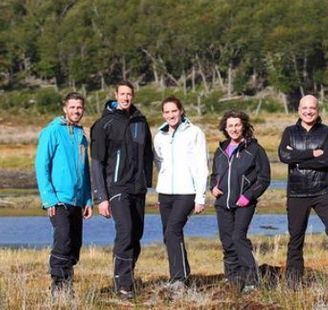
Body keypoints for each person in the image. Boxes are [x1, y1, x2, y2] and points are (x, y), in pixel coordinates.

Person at [90, 81, 154, 299]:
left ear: (133, 96)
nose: (126, 98)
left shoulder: (140, 121)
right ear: (116, 95)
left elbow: (147, 154)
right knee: (125, 231)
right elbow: (97, 162)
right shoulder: (104, 124)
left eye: (129, 94)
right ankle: (122, 285)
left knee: (136, 234)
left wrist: (147, 182)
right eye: (122, 94)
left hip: (138, 188)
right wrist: (101, 197)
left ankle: (128, 278)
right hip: (116, 187)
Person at [278, 95, 328, 286]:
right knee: (296, 238)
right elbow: (284, 155)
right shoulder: (289, 131)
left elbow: (326, 160)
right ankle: (293, 281)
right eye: (304, 108)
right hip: (296, 193)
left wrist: (297, 158)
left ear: (318, 110)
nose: (308, 111)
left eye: (312, 108)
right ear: (299, 109)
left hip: (323, 191)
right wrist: (311, 153)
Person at [35, 92, 93, 295]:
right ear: (64, 109)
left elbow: (85, 169)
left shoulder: (80, 135)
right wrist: (49, 198)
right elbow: (41, 165)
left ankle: (68, 285)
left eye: (79, 107)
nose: (76, 111)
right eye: (72, 107)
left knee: (75, 243)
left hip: (77, 200)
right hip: (58, 199)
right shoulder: (52, 131)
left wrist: (87, 199)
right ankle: (58, 288)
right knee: (63, 240)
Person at [210, 110, 270, 292]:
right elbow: (214, 175)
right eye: (230, 126)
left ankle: (253, 280)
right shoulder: (220, 150)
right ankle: (233, 279)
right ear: (225, 128)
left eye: (237, 125)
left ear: (243, 126)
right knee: (227, 242)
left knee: (238, 238)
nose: (234, 129)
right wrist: (212, 187)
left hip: (244, 203)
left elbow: (264, 178)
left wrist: (249, 195)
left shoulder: (255, 150)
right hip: (222, 203)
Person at [153, 96, 208, 288]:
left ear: (181, 111)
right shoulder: (159, 136)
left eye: (174, 111)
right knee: (169, 235)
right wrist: (163, 183)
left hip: (187, 192)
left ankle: (179, 277)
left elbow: (202, 165)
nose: (171, 115)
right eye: (167, 112)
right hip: (165, 193)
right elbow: (159, 162)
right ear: (163, 114)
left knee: (173, 229)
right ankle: (178, 274)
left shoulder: (194, 132)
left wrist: (200, 196)